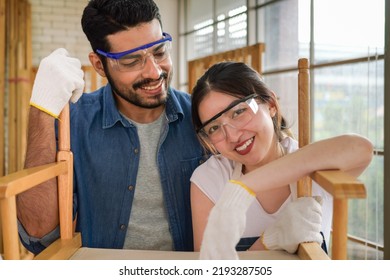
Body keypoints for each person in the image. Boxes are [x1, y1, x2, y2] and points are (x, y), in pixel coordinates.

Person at [16, 0, 208, 255]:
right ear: (98, 65)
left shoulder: (203, 117)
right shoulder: (73, 124)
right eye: (131, 61)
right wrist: (41, 110)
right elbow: (37, 235)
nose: (154, 72)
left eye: (160, 52)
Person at [189, 61, 373, 259]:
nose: (232, 136)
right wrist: (270, 241)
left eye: (239, 112)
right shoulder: (210, 180)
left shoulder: (314, 165)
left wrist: (244, 187)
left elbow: (361, 149)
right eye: (214, 128)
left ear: (271, 104)